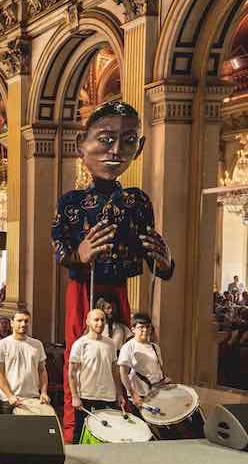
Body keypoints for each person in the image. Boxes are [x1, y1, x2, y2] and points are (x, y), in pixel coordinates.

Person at [51, 100, 174, 440]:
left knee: (121, 352)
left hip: (118, 288)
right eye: (106, 139)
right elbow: (61, 250)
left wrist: (165, 263)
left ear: (140, 147)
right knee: (82, 353)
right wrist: (79, 254)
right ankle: (76, 429)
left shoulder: (137, 202)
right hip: (83, 289)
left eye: (128, 141)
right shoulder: (72, 203)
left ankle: (125, 422)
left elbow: (153, 259)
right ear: (82, 144)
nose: (116, 150)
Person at [68, 308, 127, 444]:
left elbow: (115, 371)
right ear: (88, 322)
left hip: (108, 397)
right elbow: (71, 374)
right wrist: (75, 396)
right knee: (81, 433)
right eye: (96, 320)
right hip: (87, 396)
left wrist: (119, 394)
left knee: (109, 434)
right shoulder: (80, 344)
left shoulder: (110, 344)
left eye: (102, 320)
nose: (100, 323)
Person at [0, 310, 50, 414]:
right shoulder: (1, 345)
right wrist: (10, 395)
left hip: (33, 398)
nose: (23, 324)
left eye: (26, 321)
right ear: (12, 323)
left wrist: (44, 392)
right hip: (10, 400)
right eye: (19, 321)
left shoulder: (37, 344)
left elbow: (42, 371)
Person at [117, 313, 169, 410]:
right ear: (133, 329)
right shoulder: (128, 347)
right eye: (141, 327)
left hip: (157, 394)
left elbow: (159, 368)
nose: (145, 330)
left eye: (147, 327)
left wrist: (165, 380)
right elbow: (123, 374)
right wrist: (133, 394)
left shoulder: (155, 347)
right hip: (139, 396)